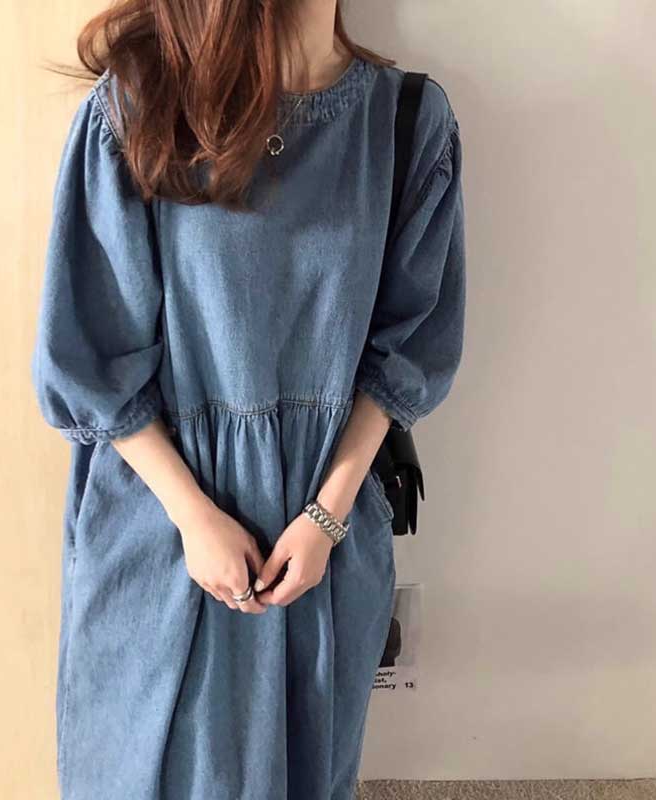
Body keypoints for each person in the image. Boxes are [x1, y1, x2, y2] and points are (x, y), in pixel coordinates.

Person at [30, 1, 466, 798]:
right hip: (163, 524)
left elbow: (406, 351)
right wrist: (195, 518)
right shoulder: (144, 105)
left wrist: (327, 518)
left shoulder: (406, 120)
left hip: (322, 535)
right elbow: (89, 358)